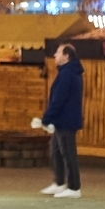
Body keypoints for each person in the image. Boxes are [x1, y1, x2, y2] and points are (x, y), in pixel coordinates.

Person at [39, 43, 84, 199]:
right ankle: (59, 183)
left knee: (68, 153)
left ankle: (74, 187)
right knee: (56, 151)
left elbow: (58, 99)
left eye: (58, 53)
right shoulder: (67, 72)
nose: (55, 56)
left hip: (66, 120)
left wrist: (47, 117)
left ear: (66, 56)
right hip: (62, 120)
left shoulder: (67, 74)